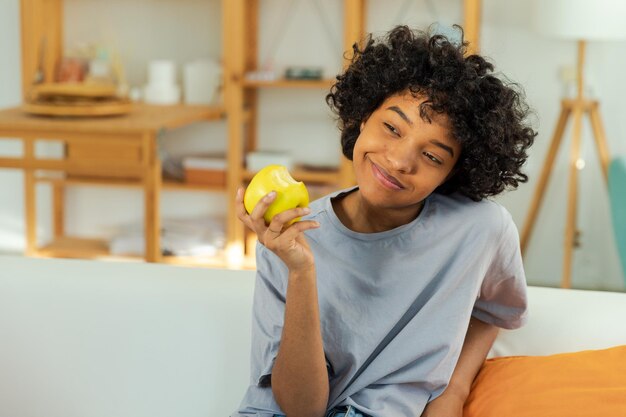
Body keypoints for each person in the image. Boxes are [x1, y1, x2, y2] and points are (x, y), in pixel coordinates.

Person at [232, 25, 536, 417]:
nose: (398, 161)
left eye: (432, 156)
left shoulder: (480, 230)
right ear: (361, 117)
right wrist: (301, 271)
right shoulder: (287, 236)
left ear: (453, 174)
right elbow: (301, 409)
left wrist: (452, 393)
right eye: (392, 128)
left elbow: (493, 311)